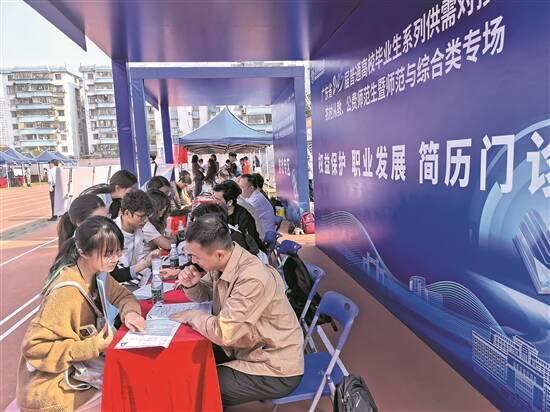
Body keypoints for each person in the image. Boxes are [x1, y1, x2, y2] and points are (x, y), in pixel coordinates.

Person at [170, 216, 304, 407]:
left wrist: (192, 316)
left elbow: (224, 333)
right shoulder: (225, 261)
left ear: (218, 254)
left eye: (196, 257)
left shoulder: (252, 279)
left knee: (197, 385)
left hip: (274, 367)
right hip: (244, 349)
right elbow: (206, 293)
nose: (192, 261)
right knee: (184, 365)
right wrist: (192, 285)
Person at [17, 216, 145, 411]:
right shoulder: (65, 292)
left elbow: (123, 296)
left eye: (118, 252)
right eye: (108, 254)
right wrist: (92, 346)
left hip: (80, 371)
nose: (115, 259)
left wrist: (130, 314)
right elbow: (34, 348)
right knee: (126, 392)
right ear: (83, 252)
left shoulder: (98, 275)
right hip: (54, 388)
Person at [113, 190, 156, 282]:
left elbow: (139, 257)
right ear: (127, 213)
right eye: (141, 216)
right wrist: (144, 263)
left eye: (147, 216)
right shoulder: (111, 234)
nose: (145, 220)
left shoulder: (138, 230)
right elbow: (114, 275)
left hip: (137, 278)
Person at [212, 180, 263, 251]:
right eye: (213, 197)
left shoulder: (244, 217)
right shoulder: (217, 213)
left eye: (217, 199)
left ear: (229, 202)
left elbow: (247, 246)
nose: (213, 201)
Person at [142, 189, 172, 255]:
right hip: (146, 259)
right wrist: (173, 239)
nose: (164, 210)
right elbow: (168, 245)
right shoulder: (146, 225)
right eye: (162, 208)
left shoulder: (153, 222)